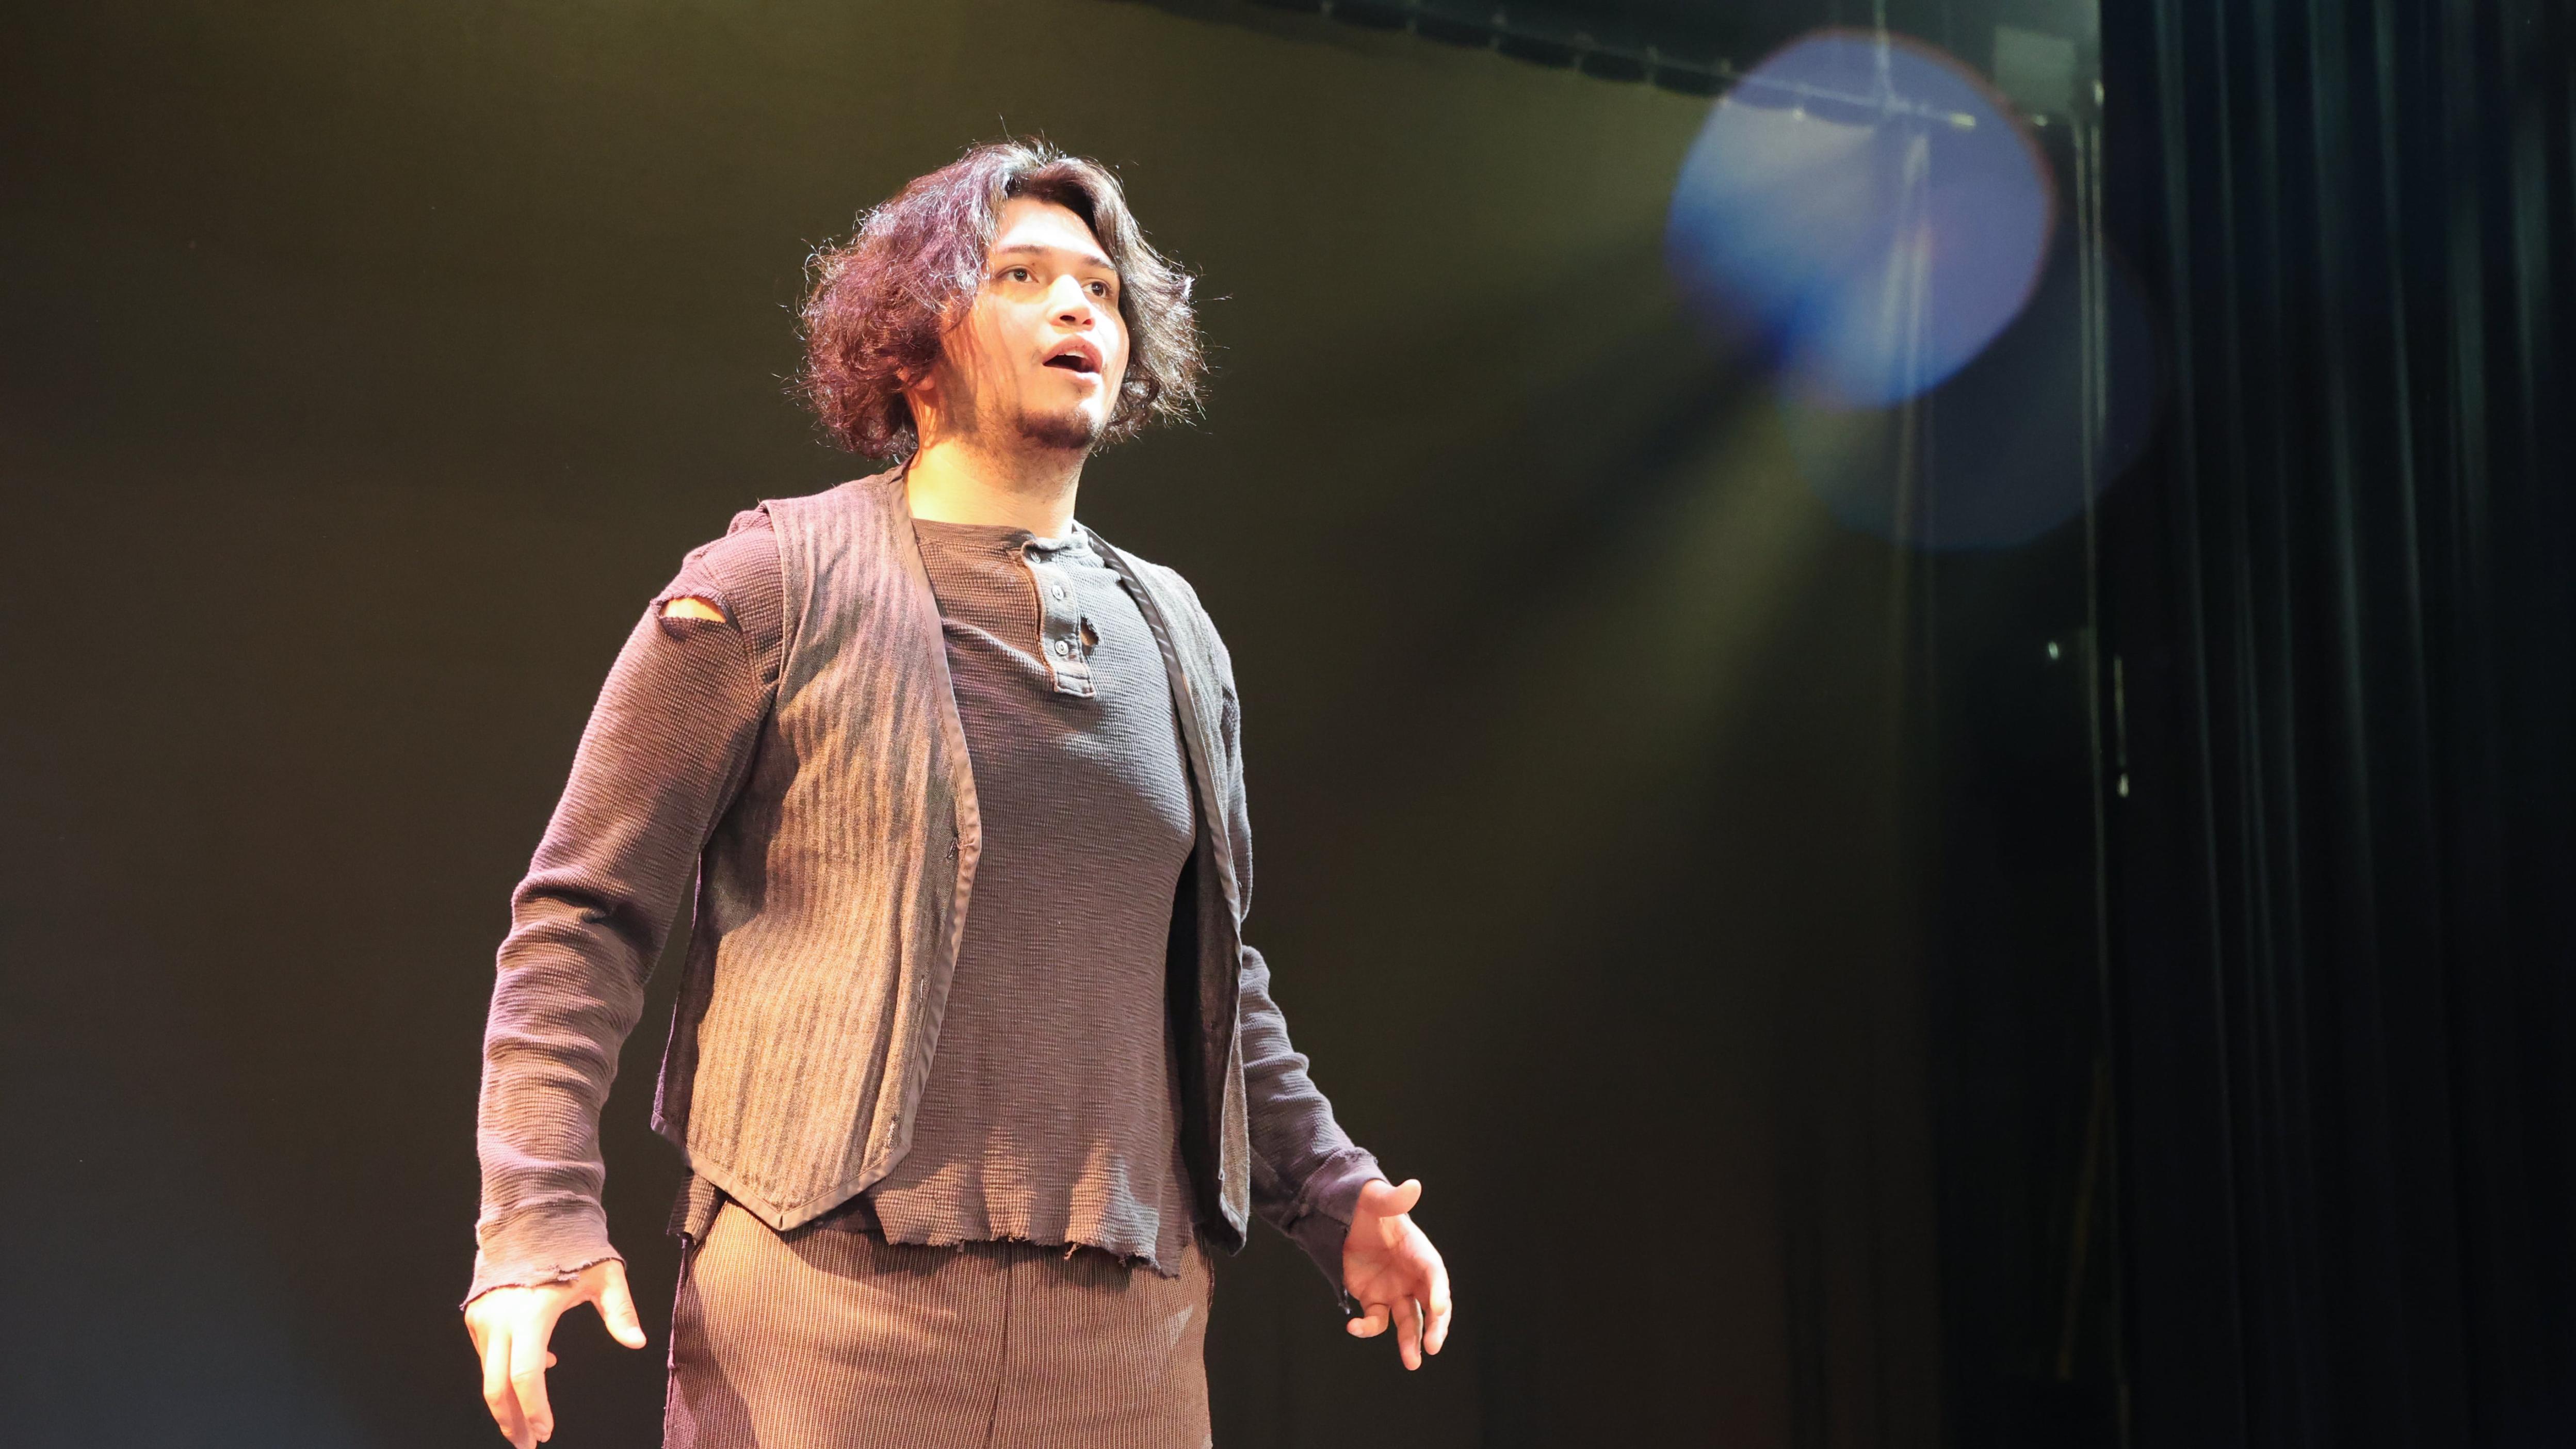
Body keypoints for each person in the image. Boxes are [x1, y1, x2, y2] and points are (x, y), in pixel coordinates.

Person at [459, 138, 1451, 1449]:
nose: (1075, 308)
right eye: (1021, 275)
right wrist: (534, 1216)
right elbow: (582, 917)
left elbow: (1217, 968)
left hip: (1126, 1333)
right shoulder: (769, 583)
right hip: (826, 1310)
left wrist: (1331, 1191)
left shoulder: (1179, 632)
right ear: (912, 347)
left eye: (1099, 288)